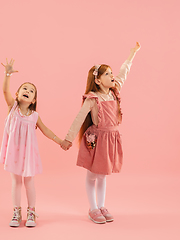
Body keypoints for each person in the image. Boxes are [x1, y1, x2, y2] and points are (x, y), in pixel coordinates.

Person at [61, 42, 141, 224]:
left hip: (110, 138)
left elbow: (124, 73)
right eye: (108, 74)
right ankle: (93, 208)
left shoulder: (114, 92)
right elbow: (78, 119)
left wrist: (131, 54)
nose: (113, 76)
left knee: (103, 174)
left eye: (112, 73)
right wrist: (68, 139)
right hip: (96, 139)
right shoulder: (92, 99)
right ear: (97, 80)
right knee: (92, 173)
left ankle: (102, 205)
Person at [0, 59, 67, 227]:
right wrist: (7, 74)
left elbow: (46, 130)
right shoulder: (12, 107)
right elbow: (4, 90)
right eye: (24, 88)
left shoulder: (34, 116)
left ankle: (31, 212)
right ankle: (16, 212)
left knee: (29, 182)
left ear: (34, 100)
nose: (27, 91)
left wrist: (60, 141)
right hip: (14, 154)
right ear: (17, 94)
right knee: (16, 182)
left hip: (28, 154)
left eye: (31, 91)